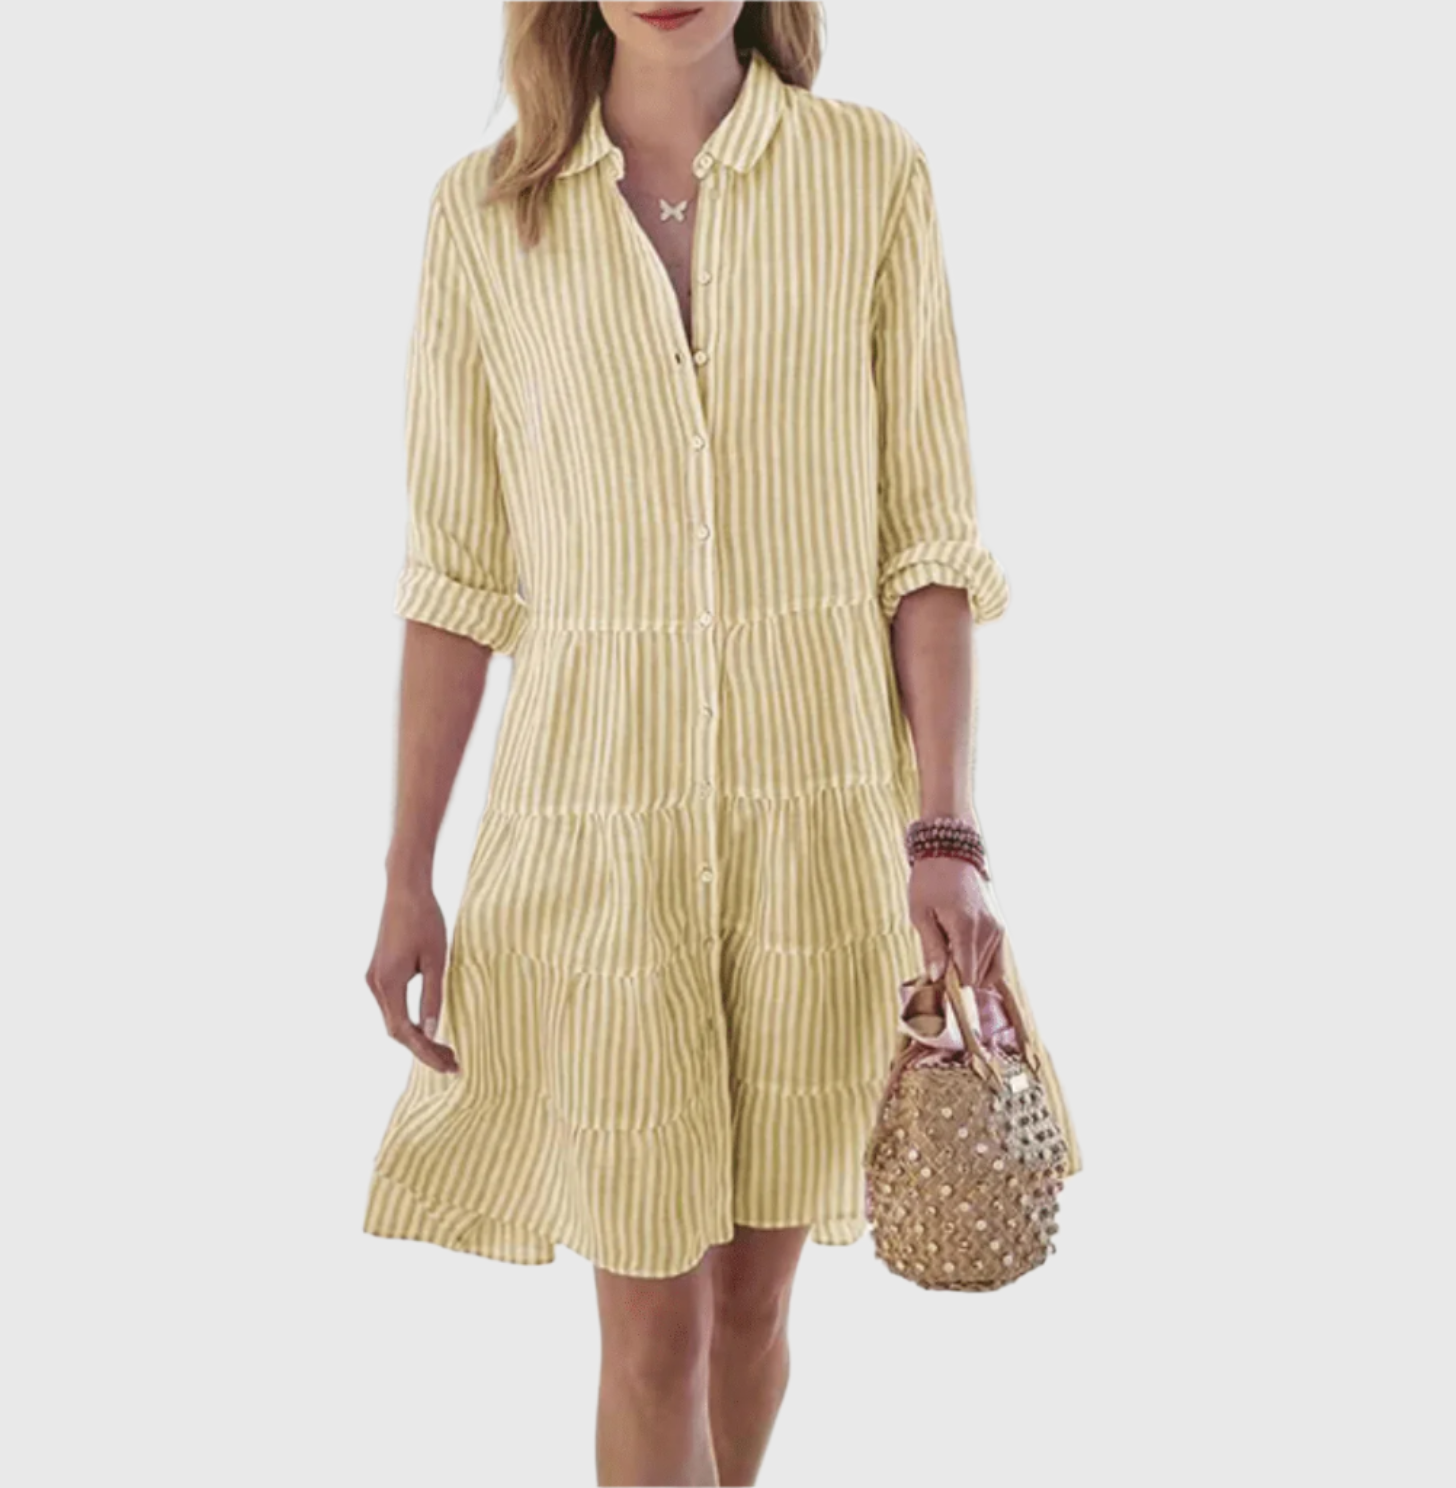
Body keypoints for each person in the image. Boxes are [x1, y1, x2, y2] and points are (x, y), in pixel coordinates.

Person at [362, 3, 1080, 1483]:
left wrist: (946, 829)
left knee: (751, 1312)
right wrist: (406, 873)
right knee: (651, 1335)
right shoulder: (483, 217)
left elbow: (927, 546)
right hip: (598, 838)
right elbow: (456, 579)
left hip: (815, 836)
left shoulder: (870, 175)